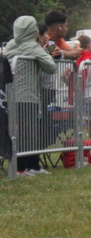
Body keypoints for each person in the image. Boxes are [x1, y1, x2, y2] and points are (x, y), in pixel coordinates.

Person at [2, 16, 57, 176]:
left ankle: (28, 164)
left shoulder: (10, 45)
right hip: (27, 95)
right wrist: (44, 53)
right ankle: (26, 165)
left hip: (9, 95)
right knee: (29, 132)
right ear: (32, 30)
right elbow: (51, 67)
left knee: (17, 131)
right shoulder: (33, 47)